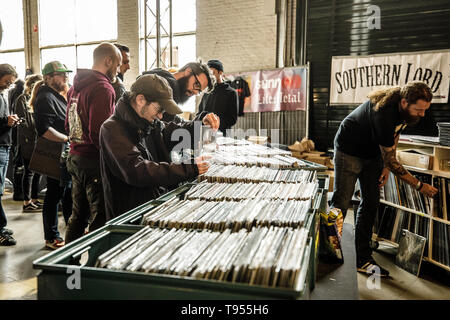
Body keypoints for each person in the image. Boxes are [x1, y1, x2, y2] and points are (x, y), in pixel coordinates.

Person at [330, 81, 438, 277]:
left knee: (371, 202)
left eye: (425, 110)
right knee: (341, 202)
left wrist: (387, 165)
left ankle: (363, 259)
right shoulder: (384, 114)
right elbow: (390, 148)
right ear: (405, 102)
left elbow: (395, 135)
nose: (423, 115)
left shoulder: (405, 110)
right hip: (349, 150)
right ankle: (329, 253)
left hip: (373, 153)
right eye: (419, 110)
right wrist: (419, 185)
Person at [99, 73, 219, 220]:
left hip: (152, 208)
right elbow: (138, 171)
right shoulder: (112, 129)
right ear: (141, 100)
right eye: (159, 109)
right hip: (131, 217)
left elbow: (174, 133)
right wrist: (190, 168)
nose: (161, 116)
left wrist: (201, 125)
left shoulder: (150, 123)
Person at [65, 42, 122, 244]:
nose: (119, 68)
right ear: (108, 60)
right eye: (118, 62)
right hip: (92, 161)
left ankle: (67, 267)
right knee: (100, 217)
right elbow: (100, 132)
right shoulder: (103, 88)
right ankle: (93, 268)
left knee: (78, 216)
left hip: (75, 156)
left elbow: (68, 124)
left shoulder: (74, 87)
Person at [32, 61, 73, 249]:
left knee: (66, 193)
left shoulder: (56, 95)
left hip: (64, 153)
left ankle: (71, 229)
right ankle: (51, 237)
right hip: (55, 154)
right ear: (48, 78)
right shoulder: (45, 97)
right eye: (60, 74)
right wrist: (66, 139)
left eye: (66, 74)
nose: (65, 77)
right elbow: (44, 129)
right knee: (54, 194)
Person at [143, 62, 215, 123]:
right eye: (197, 84)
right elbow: (167, 127)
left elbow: (170, 118)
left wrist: (189, 123)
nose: (196, 92)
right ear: (188, 71)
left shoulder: (161, 73)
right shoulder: (171, 88)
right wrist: (198, 125)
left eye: (199, 91)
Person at [15, 74, 44, 212]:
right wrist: (32, 136)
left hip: (38, 141)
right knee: (29, 172)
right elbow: (23, 122)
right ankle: (26, 202)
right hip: (29, 142)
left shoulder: (38, 98)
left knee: (38, 171)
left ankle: (34, 199)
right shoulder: (22, 99)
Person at [0, 64, 20, 246]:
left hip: (4, 146)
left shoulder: (2, 95)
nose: (9, 85)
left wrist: (9, 121)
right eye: (7, 81)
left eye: (11, 83)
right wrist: (5, 121)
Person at [195, 59, 238, 136]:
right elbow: (199, 114)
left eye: (212, 73)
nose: (210, 77)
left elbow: (232, 119)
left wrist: (214, 124)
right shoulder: (206, 92)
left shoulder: (231, 93)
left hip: (223, 135)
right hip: (205, 134)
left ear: (220, 72)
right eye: (208, 74)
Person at [8, 79, 26, 201]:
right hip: (19, 134)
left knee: (17, 164)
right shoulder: (22, 97)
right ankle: (19, 192)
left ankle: (18, 191)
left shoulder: (11, 92)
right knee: (20, 165)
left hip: (14, 133)